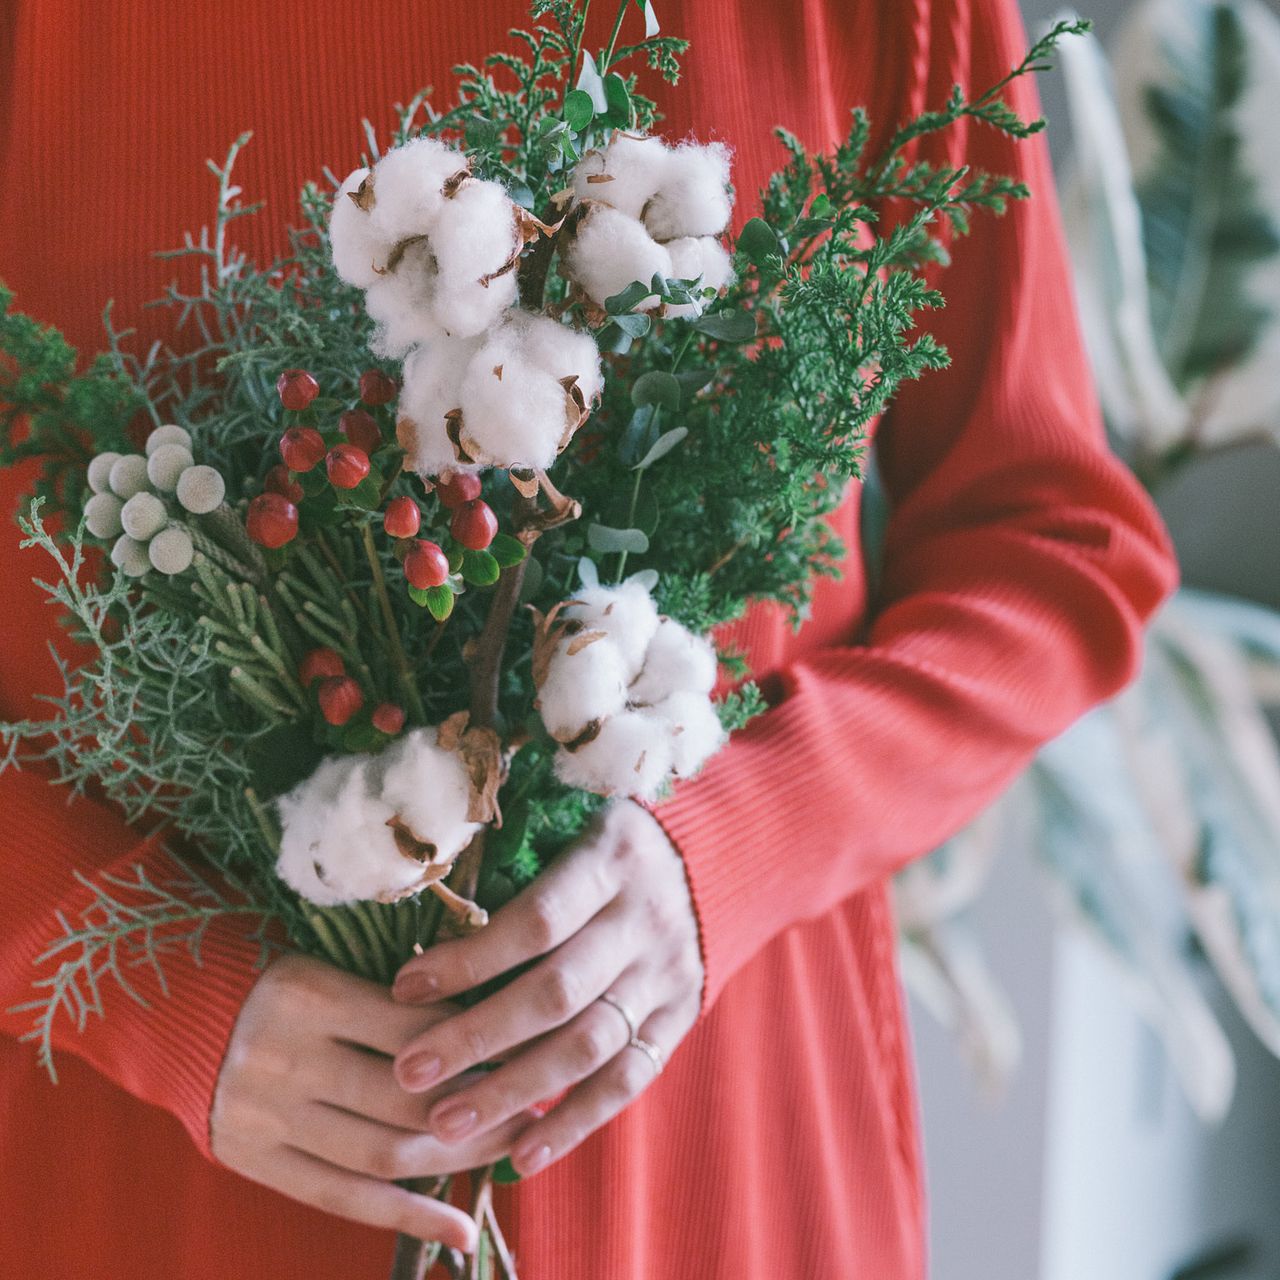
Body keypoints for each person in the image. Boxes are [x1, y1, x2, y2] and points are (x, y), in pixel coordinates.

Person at [0, 0, 1179, 1275]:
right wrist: (140, 979)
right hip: (136, 1169)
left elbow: (1051, 547)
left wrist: (738, 843)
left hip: (712, 1162)